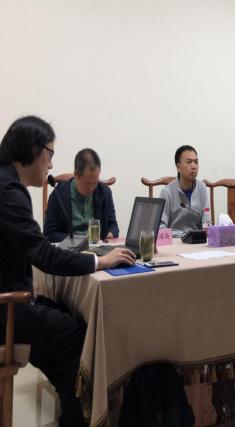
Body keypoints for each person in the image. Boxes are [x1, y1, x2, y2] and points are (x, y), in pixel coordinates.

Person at [0, 116, 135, 427]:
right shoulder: (9, 191)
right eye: (49, 154)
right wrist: (99, 262)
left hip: (12, 297)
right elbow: (43, 251)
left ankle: (74, 415)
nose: (50, 164)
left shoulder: (7, 184)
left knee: (65, 318)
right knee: (80, 335)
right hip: (7, 307)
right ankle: (80, 418)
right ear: (33, 150)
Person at [44, 148, 119, 242]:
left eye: (95, 182)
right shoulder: (59, 194)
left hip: (98, 247)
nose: (92, 188)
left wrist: (111, 233)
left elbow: (113, 225)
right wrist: (78, 241)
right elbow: (49, 234)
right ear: (76, 175)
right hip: (71, 248)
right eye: (88, 183)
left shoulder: (104, 192)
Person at [159, 145, 211, 236]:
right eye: (189, 162)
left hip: (198, 240)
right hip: (176, 240)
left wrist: (206, 230)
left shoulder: (202, 188)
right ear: (178, 167)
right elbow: (161, 227)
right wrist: (184, 235)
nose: (194, 166)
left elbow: (206, 221)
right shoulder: (166, 193)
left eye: (196, 162)